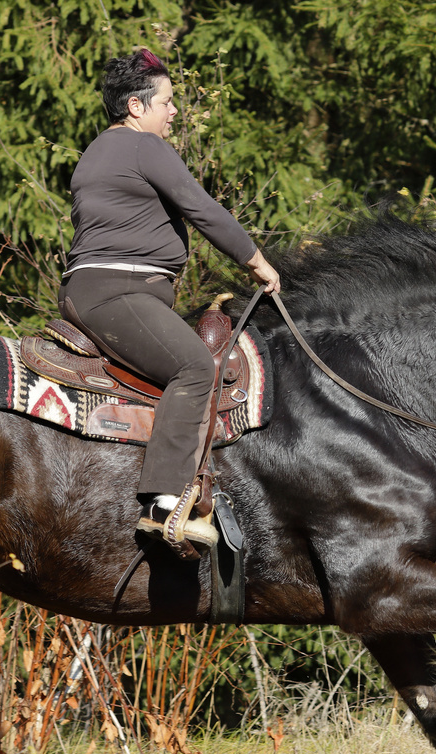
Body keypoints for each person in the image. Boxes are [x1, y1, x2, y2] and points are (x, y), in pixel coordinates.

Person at [58, 48, 281, 554]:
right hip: (119, 291)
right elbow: (200, 206)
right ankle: (164, 503)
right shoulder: (142, 147)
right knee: (196, 368)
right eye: (167, 101)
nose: (173, 111)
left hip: (97, 290)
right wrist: (257, 262)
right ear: (136, 107)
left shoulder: (98, 150)